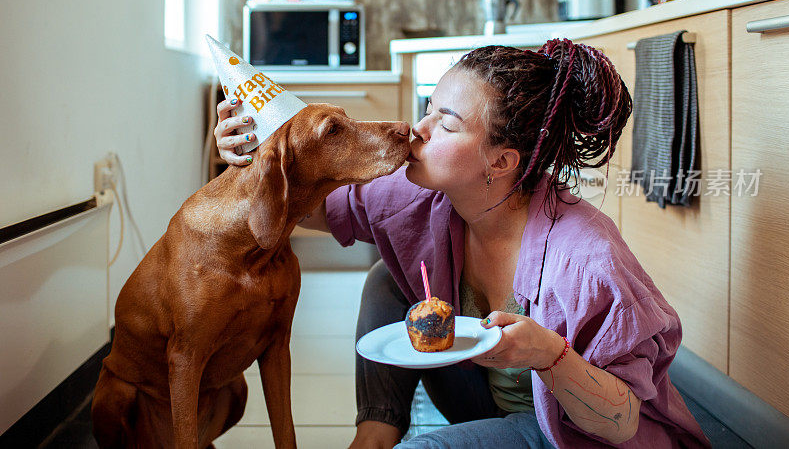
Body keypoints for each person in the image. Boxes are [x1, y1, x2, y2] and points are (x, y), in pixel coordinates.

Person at [214, 40, 711, 448]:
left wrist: (549, 355)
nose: (417, 130)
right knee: (388, 280)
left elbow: (621, 422)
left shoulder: (585, 259)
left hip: (571, 432)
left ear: (501, 162)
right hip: (480, 398)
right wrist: (251, 156)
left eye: (446, 124)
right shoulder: (418, 196)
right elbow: (310, 205)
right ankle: (373, 435)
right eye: (428, 109)